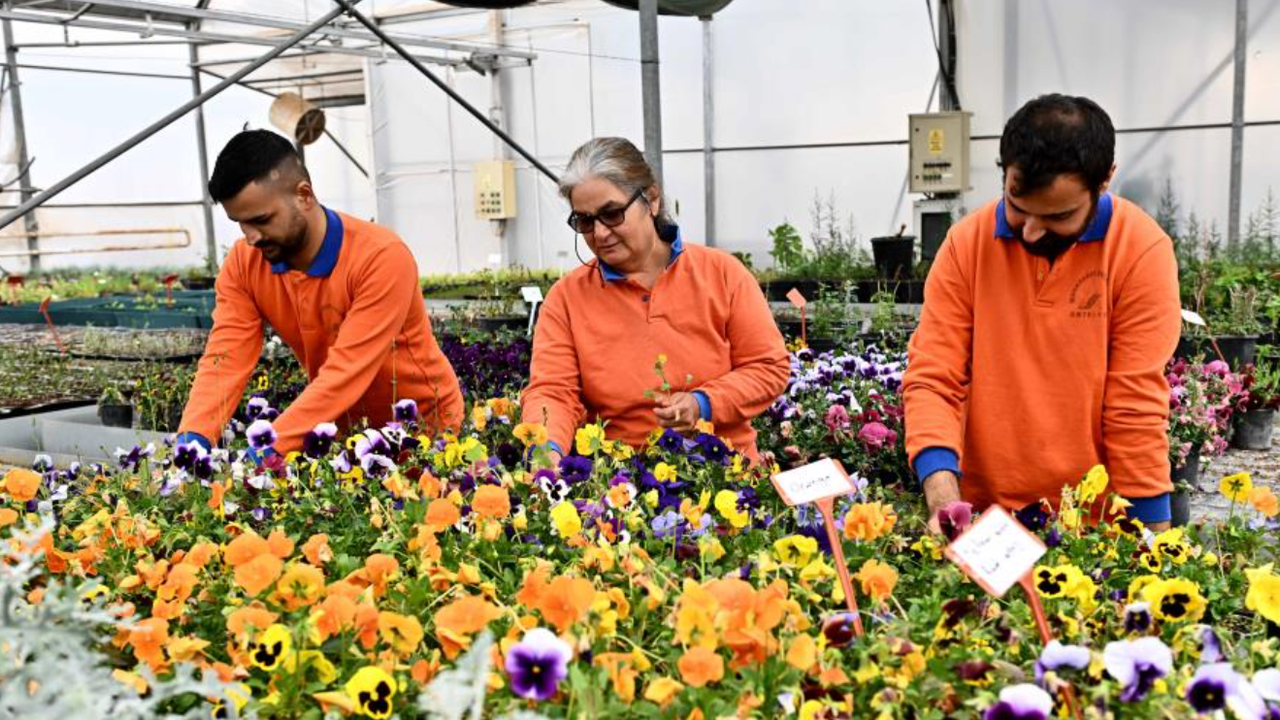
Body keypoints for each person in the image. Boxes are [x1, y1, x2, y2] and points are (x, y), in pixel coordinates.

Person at [903, 94, 1181, 531]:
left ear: (1104, 180)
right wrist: (943, 498)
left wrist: (1153, 540)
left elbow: (1135, 404)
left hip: (1090, 523)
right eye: (1017, 208)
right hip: (983, 518)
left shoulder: (1139, 251)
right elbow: (935, 377)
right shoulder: (967, 244)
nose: (1031, 232)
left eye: (1058, 216)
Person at [176, 130, 463, 456]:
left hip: (421, 429)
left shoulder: (381, 257)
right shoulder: (245, 263)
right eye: (240, 223)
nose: (251, 237)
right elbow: (225, 356)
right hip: (340, 432)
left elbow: (347, 371)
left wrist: (267, 449)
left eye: (262, 220)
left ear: (304, 195)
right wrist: (193, 438)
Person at [521, 137, 790, 462]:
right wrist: (546, 452)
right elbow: (553, 392)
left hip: (725, 471)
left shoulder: (722, 274)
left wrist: (703, 404)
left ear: (651, 199)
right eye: (586, 221)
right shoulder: (566, 298)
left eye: (612, 213)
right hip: (621, 480)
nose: (600, 233)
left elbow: (767, 367)